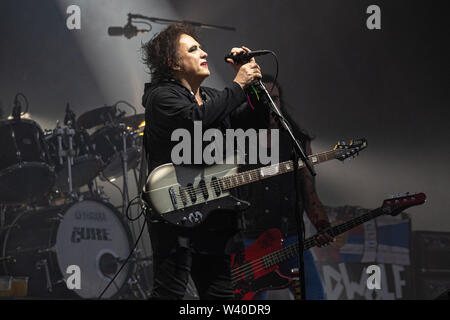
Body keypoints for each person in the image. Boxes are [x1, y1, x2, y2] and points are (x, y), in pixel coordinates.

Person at [141, 23, 262, 299]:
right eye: (193, 49)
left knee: (219, 295)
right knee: (169, 293)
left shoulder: (211, 97)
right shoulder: (161, 97)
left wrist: (252, 84)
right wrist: (238, 85)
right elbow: (194, 123)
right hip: (175, 211)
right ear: (173, 62)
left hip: (213, 214)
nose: (203, 52)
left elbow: (252, 121)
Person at [234, 74, 334, 300]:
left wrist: (323, 225)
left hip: (291, 240)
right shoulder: (235, 141)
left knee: (314, 297)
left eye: (275, 98)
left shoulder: (297, 142)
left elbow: (310, 193)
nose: (271, 104)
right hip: (249, 243)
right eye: (264, 99)